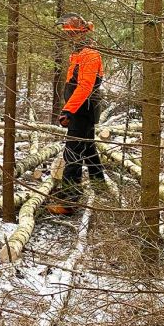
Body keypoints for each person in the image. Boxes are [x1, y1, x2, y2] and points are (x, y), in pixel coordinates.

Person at [47, 12, 106, 215]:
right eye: (68, 34)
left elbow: (85, 86)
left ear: (81, 33)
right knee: (88, 147)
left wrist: (68, 110)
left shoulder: (89, 54)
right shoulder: (79, 53)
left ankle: (69, 201)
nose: (69, 38)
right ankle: (100, 186)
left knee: (72, 153)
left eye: (72, 34)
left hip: (83, 109)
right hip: (82, 109)